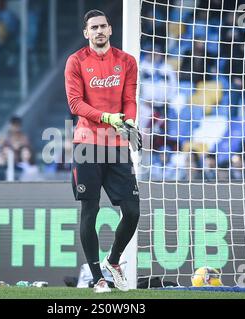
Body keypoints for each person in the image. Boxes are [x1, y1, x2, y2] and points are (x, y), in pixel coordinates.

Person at [64, 10, 140, 293]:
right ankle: (97, 278)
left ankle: (114, 261)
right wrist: (107, 117)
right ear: (86, 33)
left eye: (103, 26)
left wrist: (129, 120)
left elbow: (129, 99)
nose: (98, 31)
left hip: (117, 146)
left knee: (132, 211)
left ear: (110, 29)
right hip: (87, 144)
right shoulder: (76, 61)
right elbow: (75, 104)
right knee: (90, 210)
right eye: (93, 27)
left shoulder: (127, 62)